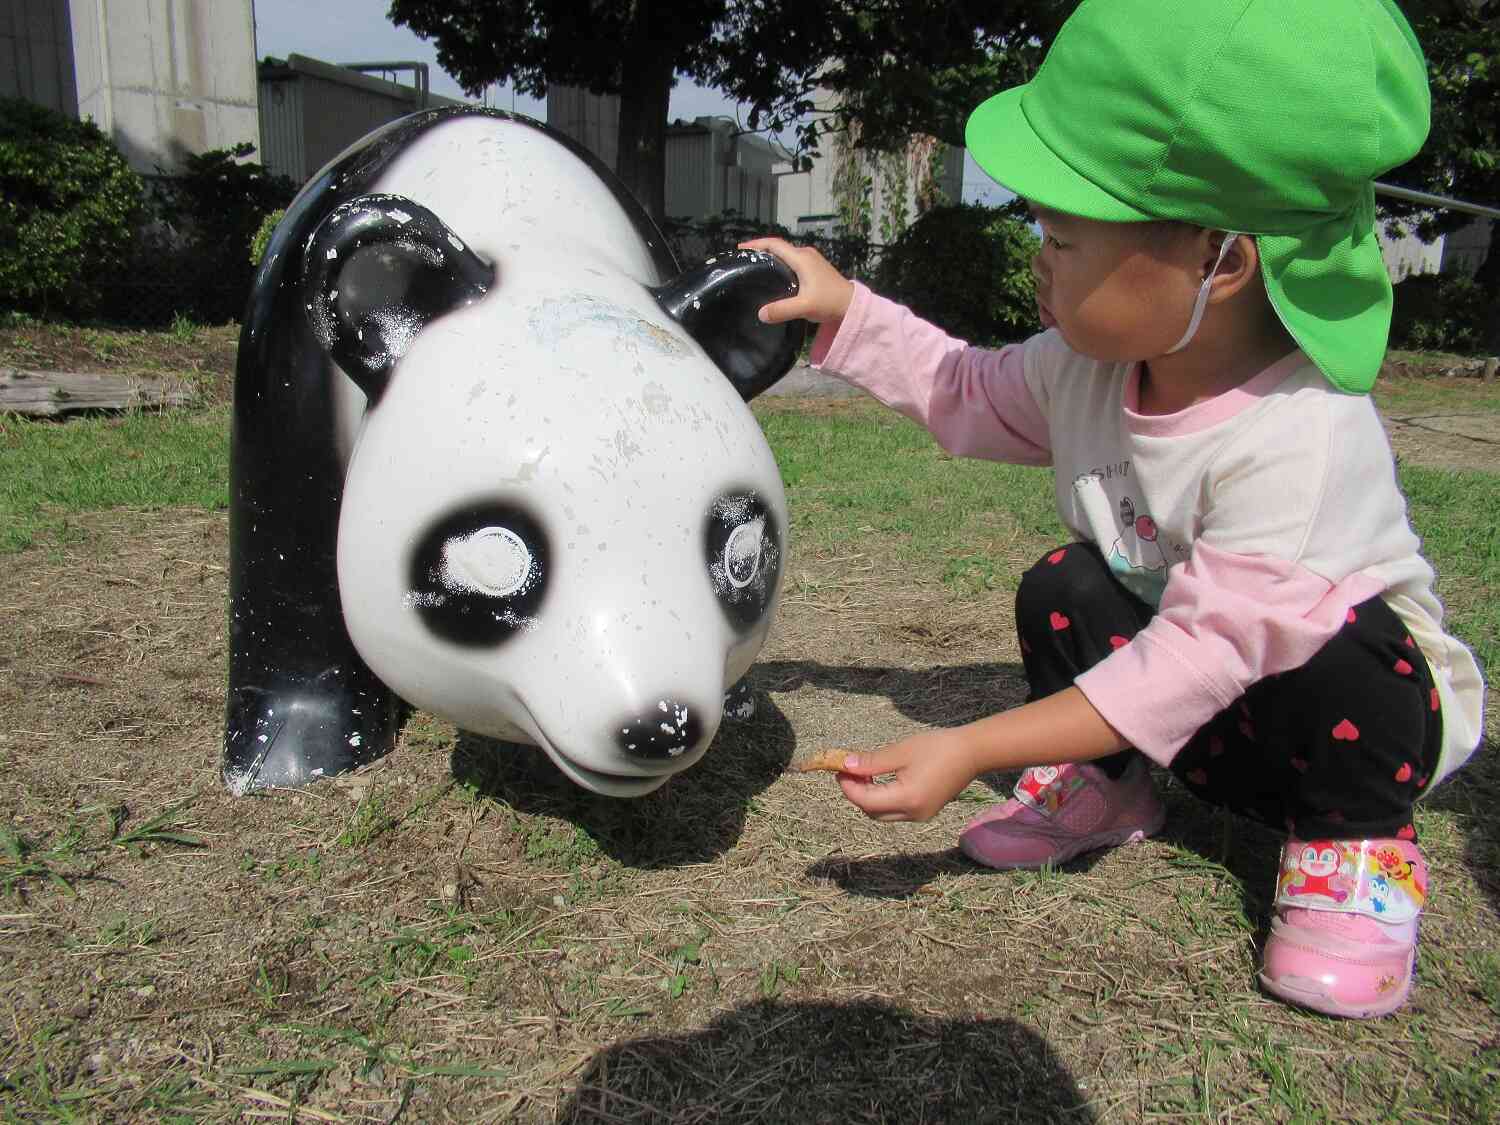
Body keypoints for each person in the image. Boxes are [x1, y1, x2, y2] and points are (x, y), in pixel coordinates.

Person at [743, 0, 1485, 1020]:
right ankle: (1110, 785)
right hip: (1202, 716)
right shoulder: (1087, 365)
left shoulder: (1300, 433)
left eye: (1064, 236)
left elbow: (1204, 656)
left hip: (1341, 729)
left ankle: (1353, 856)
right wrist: (847, 311)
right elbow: (966, 388)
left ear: (1221, 261)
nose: (1040, 257)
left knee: (1346, 647)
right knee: (1067, 584)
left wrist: (971, 746)